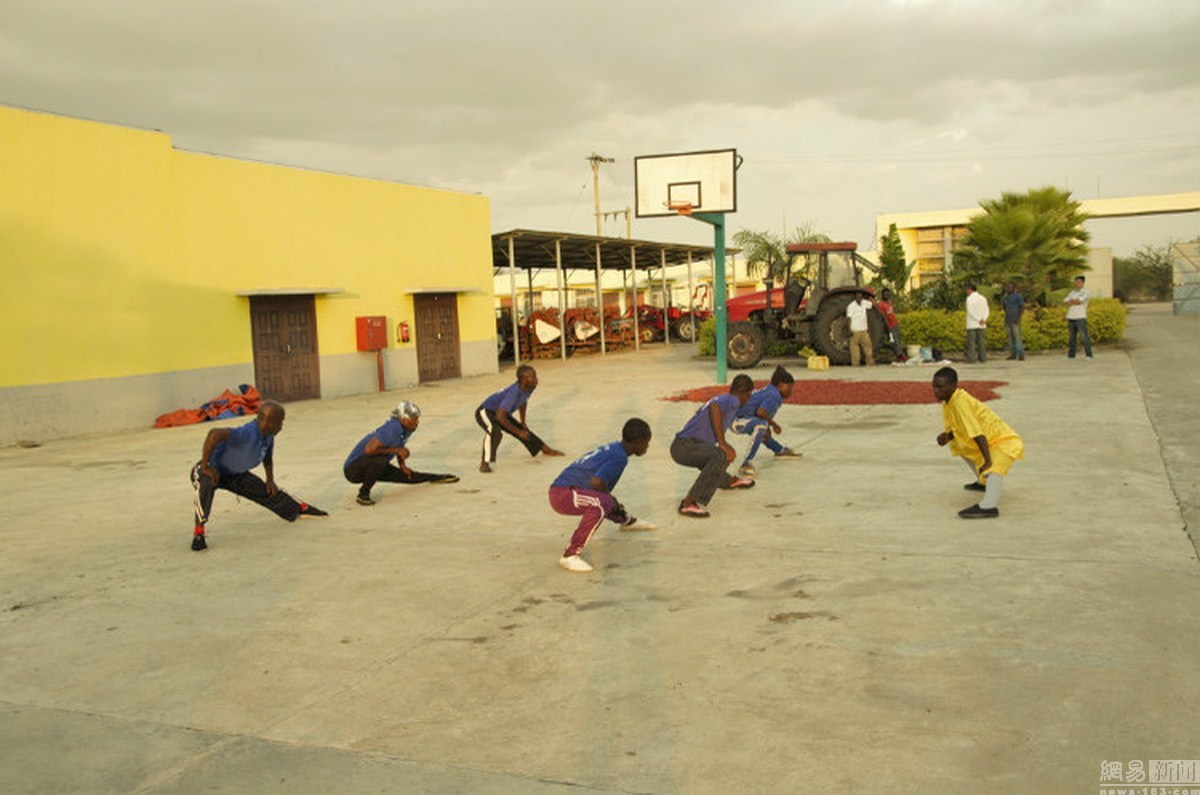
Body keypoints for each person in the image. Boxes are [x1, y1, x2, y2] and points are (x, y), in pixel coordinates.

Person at [189, 400, 327, 551]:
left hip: (235, 474)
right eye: (280, 422)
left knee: (267, 491)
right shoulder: (246, 434)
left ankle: (297, 508)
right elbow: (214, 434)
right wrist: (205, 465)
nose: (281, 426)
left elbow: (267, 457)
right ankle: (199, 532)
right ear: (268, 421)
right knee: (206, 485)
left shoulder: (268, 436)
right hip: (212, 471)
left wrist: (270, 480)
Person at [549, 418, 656, 573]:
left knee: (604, 500)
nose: (647, 446)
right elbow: (597, 482)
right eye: (647, 441)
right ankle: (570, 555)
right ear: (639, 441)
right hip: (562, 493)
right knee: (601, 503)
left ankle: (627, 522)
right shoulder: (619, 457)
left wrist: (610, 500)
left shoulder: (616, 448)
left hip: (567, 490)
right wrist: (609, 498)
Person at [932, 366, 1024, 519]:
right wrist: (947, 437)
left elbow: (978, 434)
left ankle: (989, 506)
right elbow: (959, 428)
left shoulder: (960, 402)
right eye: (934, 386)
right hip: (989, 439)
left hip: (1002, 440)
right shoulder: (948, 401)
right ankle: (983, 483)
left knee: (993, 468)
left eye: (940, 387)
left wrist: (988, 461)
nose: (936, 391)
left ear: (954, 386)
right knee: (960, 447)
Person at [671, 373, 756, 518]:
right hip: (685, 445)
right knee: (720, 455)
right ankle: (688, 503)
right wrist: (722, 443)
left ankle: (728, 481)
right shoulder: (733, 400)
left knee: (714, 458)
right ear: (745, 393)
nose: (749, 399)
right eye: (749, 395)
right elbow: (715, 408)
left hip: (683, 446)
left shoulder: (728, 400)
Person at [343, 401, 459, 506]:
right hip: (353, 469)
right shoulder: (393, 427)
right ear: (403, 418)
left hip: (375, 465)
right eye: (414, 419)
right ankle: (363, 494)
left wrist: (402, 465)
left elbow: (399, 446)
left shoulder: (408, 428)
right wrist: (397, 451)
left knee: (409, 476)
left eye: (417, 418)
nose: (417, 422)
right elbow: (369, 450)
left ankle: (437, 477)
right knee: (381, 460)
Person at [475, 364, 563, 472]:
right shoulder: (514, 392)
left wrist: (523, 423)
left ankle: (544, 449)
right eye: (533, 377)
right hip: (485, 412)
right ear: (524, 379)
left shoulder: (530, 387)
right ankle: (484, 463)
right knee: (494, 431)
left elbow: (523, 402)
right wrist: (518, 432)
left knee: (522, 429)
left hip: (500, 413)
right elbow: (500, 416)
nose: (536, 379)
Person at [731, 365, 804, 478]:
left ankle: (779, 450)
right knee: (761, 427)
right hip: (736, 420)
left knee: (762, 429)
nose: (791, 391)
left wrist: (768, 426)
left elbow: (759, 414)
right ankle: (745, 464)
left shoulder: (771, 390)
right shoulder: (774, 395)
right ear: (780, 385)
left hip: (745, 418)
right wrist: (774, 425)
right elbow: (761, 412)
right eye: (789, 387)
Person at [1064, 275, 1094, 360]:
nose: (1077, 284)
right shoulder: (1072, 292)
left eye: (1079, 282)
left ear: (1083, 283)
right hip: (1071, 316)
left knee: (1084, 337)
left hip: (1080, 317)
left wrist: (1073, 301)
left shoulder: (1086, 292)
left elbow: (1080, 301)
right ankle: (1071, 354)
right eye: (1076, 282)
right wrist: (1074, 301)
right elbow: (1066, 300)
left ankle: (1088, 355)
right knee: (1071, 337)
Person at [846, 292, 874, 366]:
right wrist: (849, 329)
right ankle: (855, 364)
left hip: (864, 330)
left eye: (861, 297)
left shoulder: (864, 303)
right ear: (855, 297)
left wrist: (871, 297)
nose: (859, 299)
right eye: (858, 297)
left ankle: (870, 363)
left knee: (868, 346)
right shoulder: (851, 306)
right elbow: (849, 318)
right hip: (855, 330)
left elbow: (872, 305)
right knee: (854, 349)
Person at [876, 288, 905, 361]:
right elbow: (884, 316)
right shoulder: (880, 304)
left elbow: (892, 313)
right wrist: (888, 326)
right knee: (895, 341)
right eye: (885, 294)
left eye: (888, 294)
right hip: (890, 325)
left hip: (895, 324)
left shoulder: (889, 302)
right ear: (882, 295)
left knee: (898, 339)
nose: (887, 296)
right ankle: (900, 355)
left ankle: (899, 354)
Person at [964, 284, 989, 363]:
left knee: (972, 342)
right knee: (981, 342)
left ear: (970, 290)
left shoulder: (969, 299)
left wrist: (978, 319)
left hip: (972, 323)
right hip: (982, 323)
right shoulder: (983, 298)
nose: (966, 291)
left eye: (967, 290)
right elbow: (987, 309)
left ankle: (972, 358)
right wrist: (984, 319)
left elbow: (970, 311)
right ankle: (982, 358)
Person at [1001, 283, 1025, 361]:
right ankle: (1013, 354)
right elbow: (1004, 307)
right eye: (1007, 287)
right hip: (1008, 319)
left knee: (1017, 337)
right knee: (1010, 338)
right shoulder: (1006, 297)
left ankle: (1021, 355)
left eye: (1009, 287)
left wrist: (1018, 318)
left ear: (1013, 288)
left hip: (1015, 320)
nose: (1007, 289)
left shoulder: (1018, 296)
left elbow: (1022, 307)